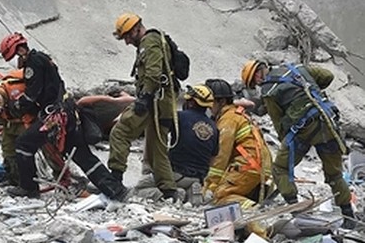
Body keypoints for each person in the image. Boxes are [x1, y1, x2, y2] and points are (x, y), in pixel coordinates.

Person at [0, 33, 126, 200]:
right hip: (69, 111)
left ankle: (28, 188)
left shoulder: (32, 64)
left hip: (54, 116)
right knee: (81, 154)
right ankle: (115, 190)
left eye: (12, 57)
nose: (14, 62)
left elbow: (31, 96)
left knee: (24, 144)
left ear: (20, 50)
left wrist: (14, 106)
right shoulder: (43, 58)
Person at [241, 60, 357, 229]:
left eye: (254, 82)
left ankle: (297, 211)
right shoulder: (296, 69)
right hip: (328, 123)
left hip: (303, 132)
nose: (257, 85)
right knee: (335, 175)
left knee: (280, 168)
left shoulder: (269, 91)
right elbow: (327, 76)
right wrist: (310, 91)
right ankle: (349, 217)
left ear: (257, 74)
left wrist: (285, 145)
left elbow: (278, 122)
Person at [107, 13, 181, 200]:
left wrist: (145, 98)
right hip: (163, 101)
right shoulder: (154, 40)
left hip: (154, 100)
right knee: (158, 147)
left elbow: (153, 73)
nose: (127, 42)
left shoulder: (149, 42)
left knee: (120, 131)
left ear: (136, 29)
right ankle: (169, 191)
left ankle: (115, 181)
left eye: (127, 36)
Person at [0, 69, 70, 187]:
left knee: (46, 148)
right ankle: (14, 177)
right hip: (13, 121)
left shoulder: (17, 91)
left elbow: (34, 104)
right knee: (8, 147)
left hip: (33, 120)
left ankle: (62, 176)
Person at [134, 84, 218, 203]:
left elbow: (160, 134)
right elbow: (213, 159)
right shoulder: (214, 127)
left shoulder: (179, 117)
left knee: (138, 189)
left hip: (175, 173)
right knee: (189, 183)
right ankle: (190, 191)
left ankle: (172, 194)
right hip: (199, 178)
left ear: (192, 102)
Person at [204, 78, 272, 210]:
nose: (208, 106)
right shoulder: (238, 114)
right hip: (261, 168)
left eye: (211, 102)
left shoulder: (228, 120)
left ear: (221, 102)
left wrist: (210, 185)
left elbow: (221, 156)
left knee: (220, 196)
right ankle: (252, 195)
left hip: (248, 168)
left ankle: (251, 208)